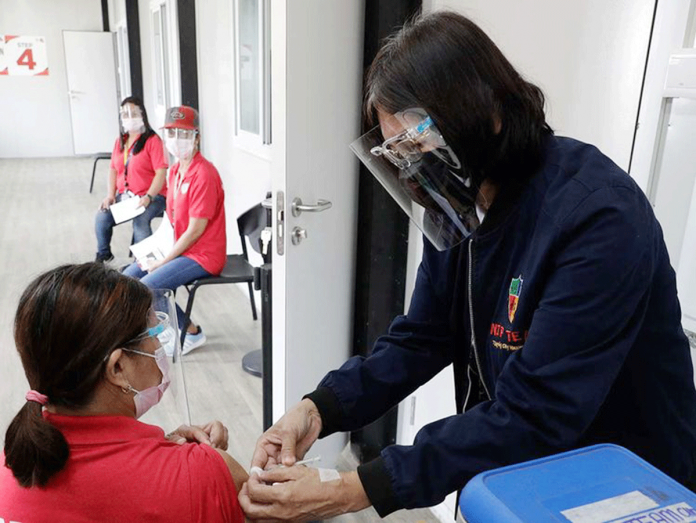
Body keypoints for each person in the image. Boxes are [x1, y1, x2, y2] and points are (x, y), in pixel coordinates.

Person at [240, 11, 696, 521]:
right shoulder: (460, 203)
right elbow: (422, 336)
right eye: (399, 150)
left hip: (625, 483)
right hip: (517, 475)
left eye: (418, 142)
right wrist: (318, 409)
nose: (413, 166)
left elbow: (535, 412)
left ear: (484, 111)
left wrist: (352, 489)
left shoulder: (598, 217)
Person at [0, 263, 247, 522]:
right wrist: (187, 464)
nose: (159, 346)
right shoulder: (204, 477)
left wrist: (160, 450)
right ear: (118, 367)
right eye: (155, 333)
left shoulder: (15, 461)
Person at [122, 105, 226, 355]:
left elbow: (194, 230)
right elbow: (171, 219)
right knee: (127, 278)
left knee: (148, 287)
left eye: (184, 134)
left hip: (202, 254)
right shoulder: (177, 170)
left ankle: (190, 332)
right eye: (171, 133)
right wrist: (151, 250)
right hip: (179, 247)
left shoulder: (204, 173)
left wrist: (164, 261)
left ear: (196, 137)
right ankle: (153, 329)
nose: (177, 141)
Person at [95, 96, 168, 263]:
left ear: (143, 115)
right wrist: (110, 195)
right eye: (125, 115)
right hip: (128, 197)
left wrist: (148, 197)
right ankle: (104, 255)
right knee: (102, 216)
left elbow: (161, 172)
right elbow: (113, 169)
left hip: (153, 197)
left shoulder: (153, 141)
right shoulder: (121, 141)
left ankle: (146, 262)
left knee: (141, 219)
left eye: (134, 113)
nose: (130, 118)